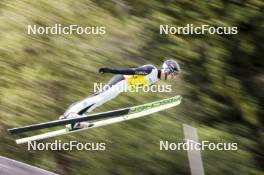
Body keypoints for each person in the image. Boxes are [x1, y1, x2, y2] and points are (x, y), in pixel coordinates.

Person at [60, 59, 181, 130]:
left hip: (121, 87)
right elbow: (132, 71)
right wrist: (112, 70)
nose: (173, 77)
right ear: (167, 70)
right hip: (120, 81)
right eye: (173, 74)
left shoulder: (153, 79)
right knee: (98, 97)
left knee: (100, 101)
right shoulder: (151, 70)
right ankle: (69, 115)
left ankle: (75, 122)